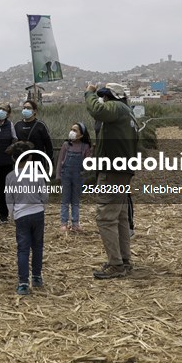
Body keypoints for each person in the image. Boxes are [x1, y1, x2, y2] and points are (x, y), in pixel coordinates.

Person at [84, 83, 138, 279]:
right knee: (121, 217)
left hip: (112, 172)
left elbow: (97, 111)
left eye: (105, 96)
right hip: (122, 171)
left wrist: (89, 93)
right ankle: (123, 260)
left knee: (105, 217)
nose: (103, 100)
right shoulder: (129, 114)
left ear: (113, 97)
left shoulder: (116, 108)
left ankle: (116, 264)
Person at [4, 140, 48, 295]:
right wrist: (42, 207)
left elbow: (9, 199)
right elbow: (44, 195)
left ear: (14, 159)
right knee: (37, 246)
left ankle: (23, 283)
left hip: (21, 216)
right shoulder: (37, 173)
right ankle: (36, 277)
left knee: (23, 249)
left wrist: (12, 215)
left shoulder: (10, 176)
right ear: (29, 158)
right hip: (37, 214)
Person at [57, 122, 92, 234]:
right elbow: (60, 161)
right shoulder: (66, 145)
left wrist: (92, 152)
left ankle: (75, 223)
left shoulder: (85, 147)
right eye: (71, 129)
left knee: (75, 201)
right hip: (65, 175)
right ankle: (64, 223)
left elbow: (88, 163)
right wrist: (58, 175)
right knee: (65, 200)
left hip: (78, 176)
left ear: (81, 135)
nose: (72, 132)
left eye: (75, 130)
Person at [14, 99, 54, 163]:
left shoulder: (41, 125)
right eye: (24, 108)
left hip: (37, 161)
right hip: (21, 162)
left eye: (28, 108)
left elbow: (48, 144)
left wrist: (51, 159)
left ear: (34, 111)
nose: (25, 110)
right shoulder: (17, 125)